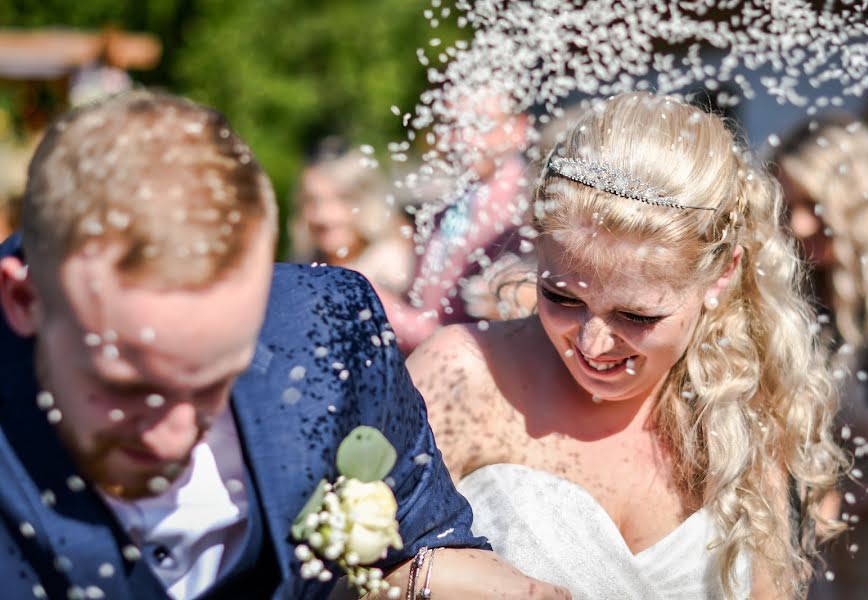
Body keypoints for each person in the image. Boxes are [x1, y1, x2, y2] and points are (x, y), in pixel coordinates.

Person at [0, 91, 569, 600]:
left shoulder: (327, 329)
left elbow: (426, 538)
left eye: (214, 380)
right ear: (25, 301)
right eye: (127, 387)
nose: (172, 435)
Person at [408, 92, 846, 599]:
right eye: (560, 297)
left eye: (637, 315)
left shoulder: (742, 409)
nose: (592, 343)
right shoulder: (464, 373)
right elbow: (343, 569)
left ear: (722, 275)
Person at [773, 116, 868, 599]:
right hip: (828, 573)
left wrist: (839, 507)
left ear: (861, 204)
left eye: (815, 205)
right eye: (788, 207)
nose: (800, 224)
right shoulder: (796, 305)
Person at [377, 90, 531, 354]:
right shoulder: (450, 203)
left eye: (480, 124)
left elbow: (491, 330)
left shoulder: (524, 212)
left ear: (518, 128)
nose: (462, 139)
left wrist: (383, 307)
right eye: (452, 125)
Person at [289, 142, 415, 296]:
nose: (323, 215)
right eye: (311, 200)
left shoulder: (391, 266)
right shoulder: (303, 261)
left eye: (342, 199)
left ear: (367, 201)